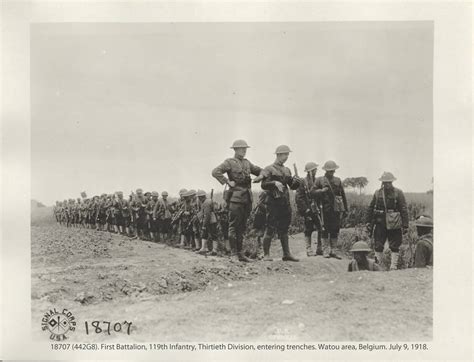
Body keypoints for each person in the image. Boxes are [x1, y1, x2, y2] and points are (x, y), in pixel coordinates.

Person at [212, 139, 264, 262]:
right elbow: (215, 172)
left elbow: (261, 171)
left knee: (242, 227)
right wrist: (227, 181)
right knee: (233, 226)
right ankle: (233, 254)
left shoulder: (247, 163)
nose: (244, 151)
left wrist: (260, 177)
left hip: (247, 198)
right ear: (235, 150)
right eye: (241, 149)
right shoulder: (229, 162)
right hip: (235, 198)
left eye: (245, 149)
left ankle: (240, 254)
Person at [261, 145, 302, 262]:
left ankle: (286, 254)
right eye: (285, 155)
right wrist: (274, 183)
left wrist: (297, 182)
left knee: (284, 228)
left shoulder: (287, 170)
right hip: (272, 204)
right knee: (270, 227)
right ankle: (266, 255)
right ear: (278, 155)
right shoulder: (269, 169)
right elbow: (263, 185)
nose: (286, 157)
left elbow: (292, 186)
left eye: (287, 155)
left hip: (285, 203)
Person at [366, 172, 409, 271]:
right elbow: (371, 208)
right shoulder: (377, 193)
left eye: (389, 182)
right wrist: (368, 222)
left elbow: (403, 209)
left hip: (394, 223)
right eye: (385, 182)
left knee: (395, 245)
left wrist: (405, 225)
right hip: (380, 222)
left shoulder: (398, 193)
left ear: (392, 182)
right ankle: (378, 266)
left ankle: (393, 266)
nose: (387, 184)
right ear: (382, 182)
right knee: (378, 244)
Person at [310, 160, 348, 260]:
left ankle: (334, 250)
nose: (331, 172)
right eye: (329, 171)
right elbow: (312, 192)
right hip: (324, 209)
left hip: (336, 209)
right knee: (324, 229)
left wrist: (345, 209)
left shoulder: (338, 180)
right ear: (325, 171)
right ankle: (325, 250)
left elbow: (342, 195)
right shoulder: (320, 180)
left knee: (335, 229)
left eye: (333, 170)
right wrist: (321, 191)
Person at [295, 161, 323, 257]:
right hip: (308, 209)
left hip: (317, 209)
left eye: (315, 169)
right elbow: (299, 197)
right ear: (310, 171)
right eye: (314, 170)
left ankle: (320, 248)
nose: (316, 171)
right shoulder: (303, 182)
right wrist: (305, 209)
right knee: (308, 228)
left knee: (321, 227)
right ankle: (308, 248)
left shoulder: (318, 181)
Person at [196, 190, 219, 255]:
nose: (198, 199)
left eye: (199, 197)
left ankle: (214, 250)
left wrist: (204, 225)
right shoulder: (205, 201)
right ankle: (203, 248)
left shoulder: (206, 203)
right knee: (204, 234)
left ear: (201, 197)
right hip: (208, 219)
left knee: (213, 234)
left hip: (210, 220)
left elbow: (207, 215)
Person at [251, 191, 267, 259]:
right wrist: (268, 210)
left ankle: (257, 249)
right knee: (259, 231)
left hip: (259, 214)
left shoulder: (264, 193)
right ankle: (257, 249)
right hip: (261, 215)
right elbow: (260, 203)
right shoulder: (265, 193)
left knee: (258, 231)